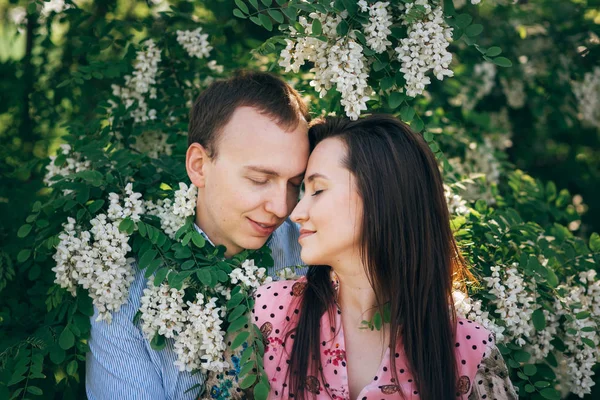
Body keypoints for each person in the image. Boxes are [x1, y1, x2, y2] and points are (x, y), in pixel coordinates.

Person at [210, 115, 518, 399]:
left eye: (317, 190)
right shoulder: (270, 313)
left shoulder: (467, 348)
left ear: (380, 197)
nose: (296, 212)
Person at [86, 70, 311, 400]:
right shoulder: (127, 298)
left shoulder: (313, 250)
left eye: (295, 184)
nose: (281, 206)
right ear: (199, 166)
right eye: (261, 179)